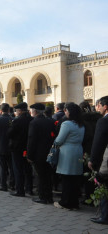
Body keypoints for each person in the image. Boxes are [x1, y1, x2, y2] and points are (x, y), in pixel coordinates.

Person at [53, 102, 85, 210]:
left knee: (66, 179)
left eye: (66, 110)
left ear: (69, 112)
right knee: (75, 179)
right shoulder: (80, 124)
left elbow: (59, 140)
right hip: (78, 151)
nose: (65, 112)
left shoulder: (66, 124)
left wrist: (55, 143)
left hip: (67, 152)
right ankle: (74, 203)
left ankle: (65, 202)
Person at [27, 103, 55, 204]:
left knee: (40, 176)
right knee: (48, 176)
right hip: (48, 152)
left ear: (35, 111)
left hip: (38, 154)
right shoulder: (50, 122)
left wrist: (29, 155)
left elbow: (31, 140)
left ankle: (42, 196)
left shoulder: (34, 123)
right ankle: (49, 196)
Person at [88, 96, 108, 224]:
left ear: (105, 106)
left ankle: (104, 216)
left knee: (104, 188)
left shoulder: (103, 121)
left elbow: (98, 143)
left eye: (99, 105)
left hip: (105, 160)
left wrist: (92, 160)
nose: (97, 108)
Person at [8, 102, 33, 197]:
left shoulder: (17, 121)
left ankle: (20, 190)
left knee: (18, 169)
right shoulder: (31, 119)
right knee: (28, 169)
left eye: (17, 111)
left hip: (17, 148)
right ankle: (29, 189)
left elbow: (9, 133)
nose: (16, 112)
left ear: (19, 111)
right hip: (28, 148)